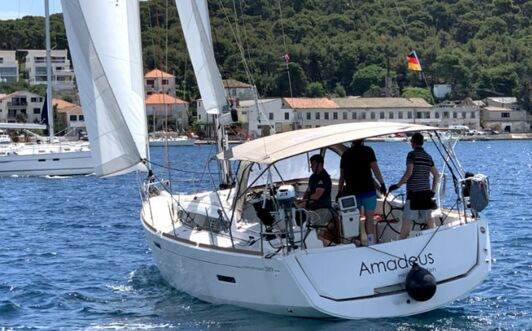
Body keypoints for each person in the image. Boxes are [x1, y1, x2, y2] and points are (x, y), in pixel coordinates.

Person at [388, 132, 439, 239]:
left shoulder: (412, 155)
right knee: (429, 221)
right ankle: (434, 242)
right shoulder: (428, 157)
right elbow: (436, 175)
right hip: (426, 194)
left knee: (407, 222)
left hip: (414, 195)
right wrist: (432, 193)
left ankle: (401, 244)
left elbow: (409, 172)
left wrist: (397, 185)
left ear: (413, 143)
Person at [337, 139, 386, 246]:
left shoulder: (346, 154)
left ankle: (357, 242)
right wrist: (382, 183)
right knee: (369, 218)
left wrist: (339, 191)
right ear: (362, 141)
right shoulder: (368, 151)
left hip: (352, 192)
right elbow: (375, 169)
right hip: (368, 190)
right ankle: (370, 242)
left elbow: (342, 177)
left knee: (355, 219)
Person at [296, 154, 334, 243]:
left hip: (322, 209)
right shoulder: (313, 177)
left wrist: (304, 203)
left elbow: (317, 195)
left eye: (313, 164)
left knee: (317, 234)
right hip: (311, 210)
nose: (311, 167)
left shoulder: (324, 177)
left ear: (320, 164)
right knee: (308, 230)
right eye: (311, 165)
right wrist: (301, 201)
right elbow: (308, 191)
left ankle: (323, 246)